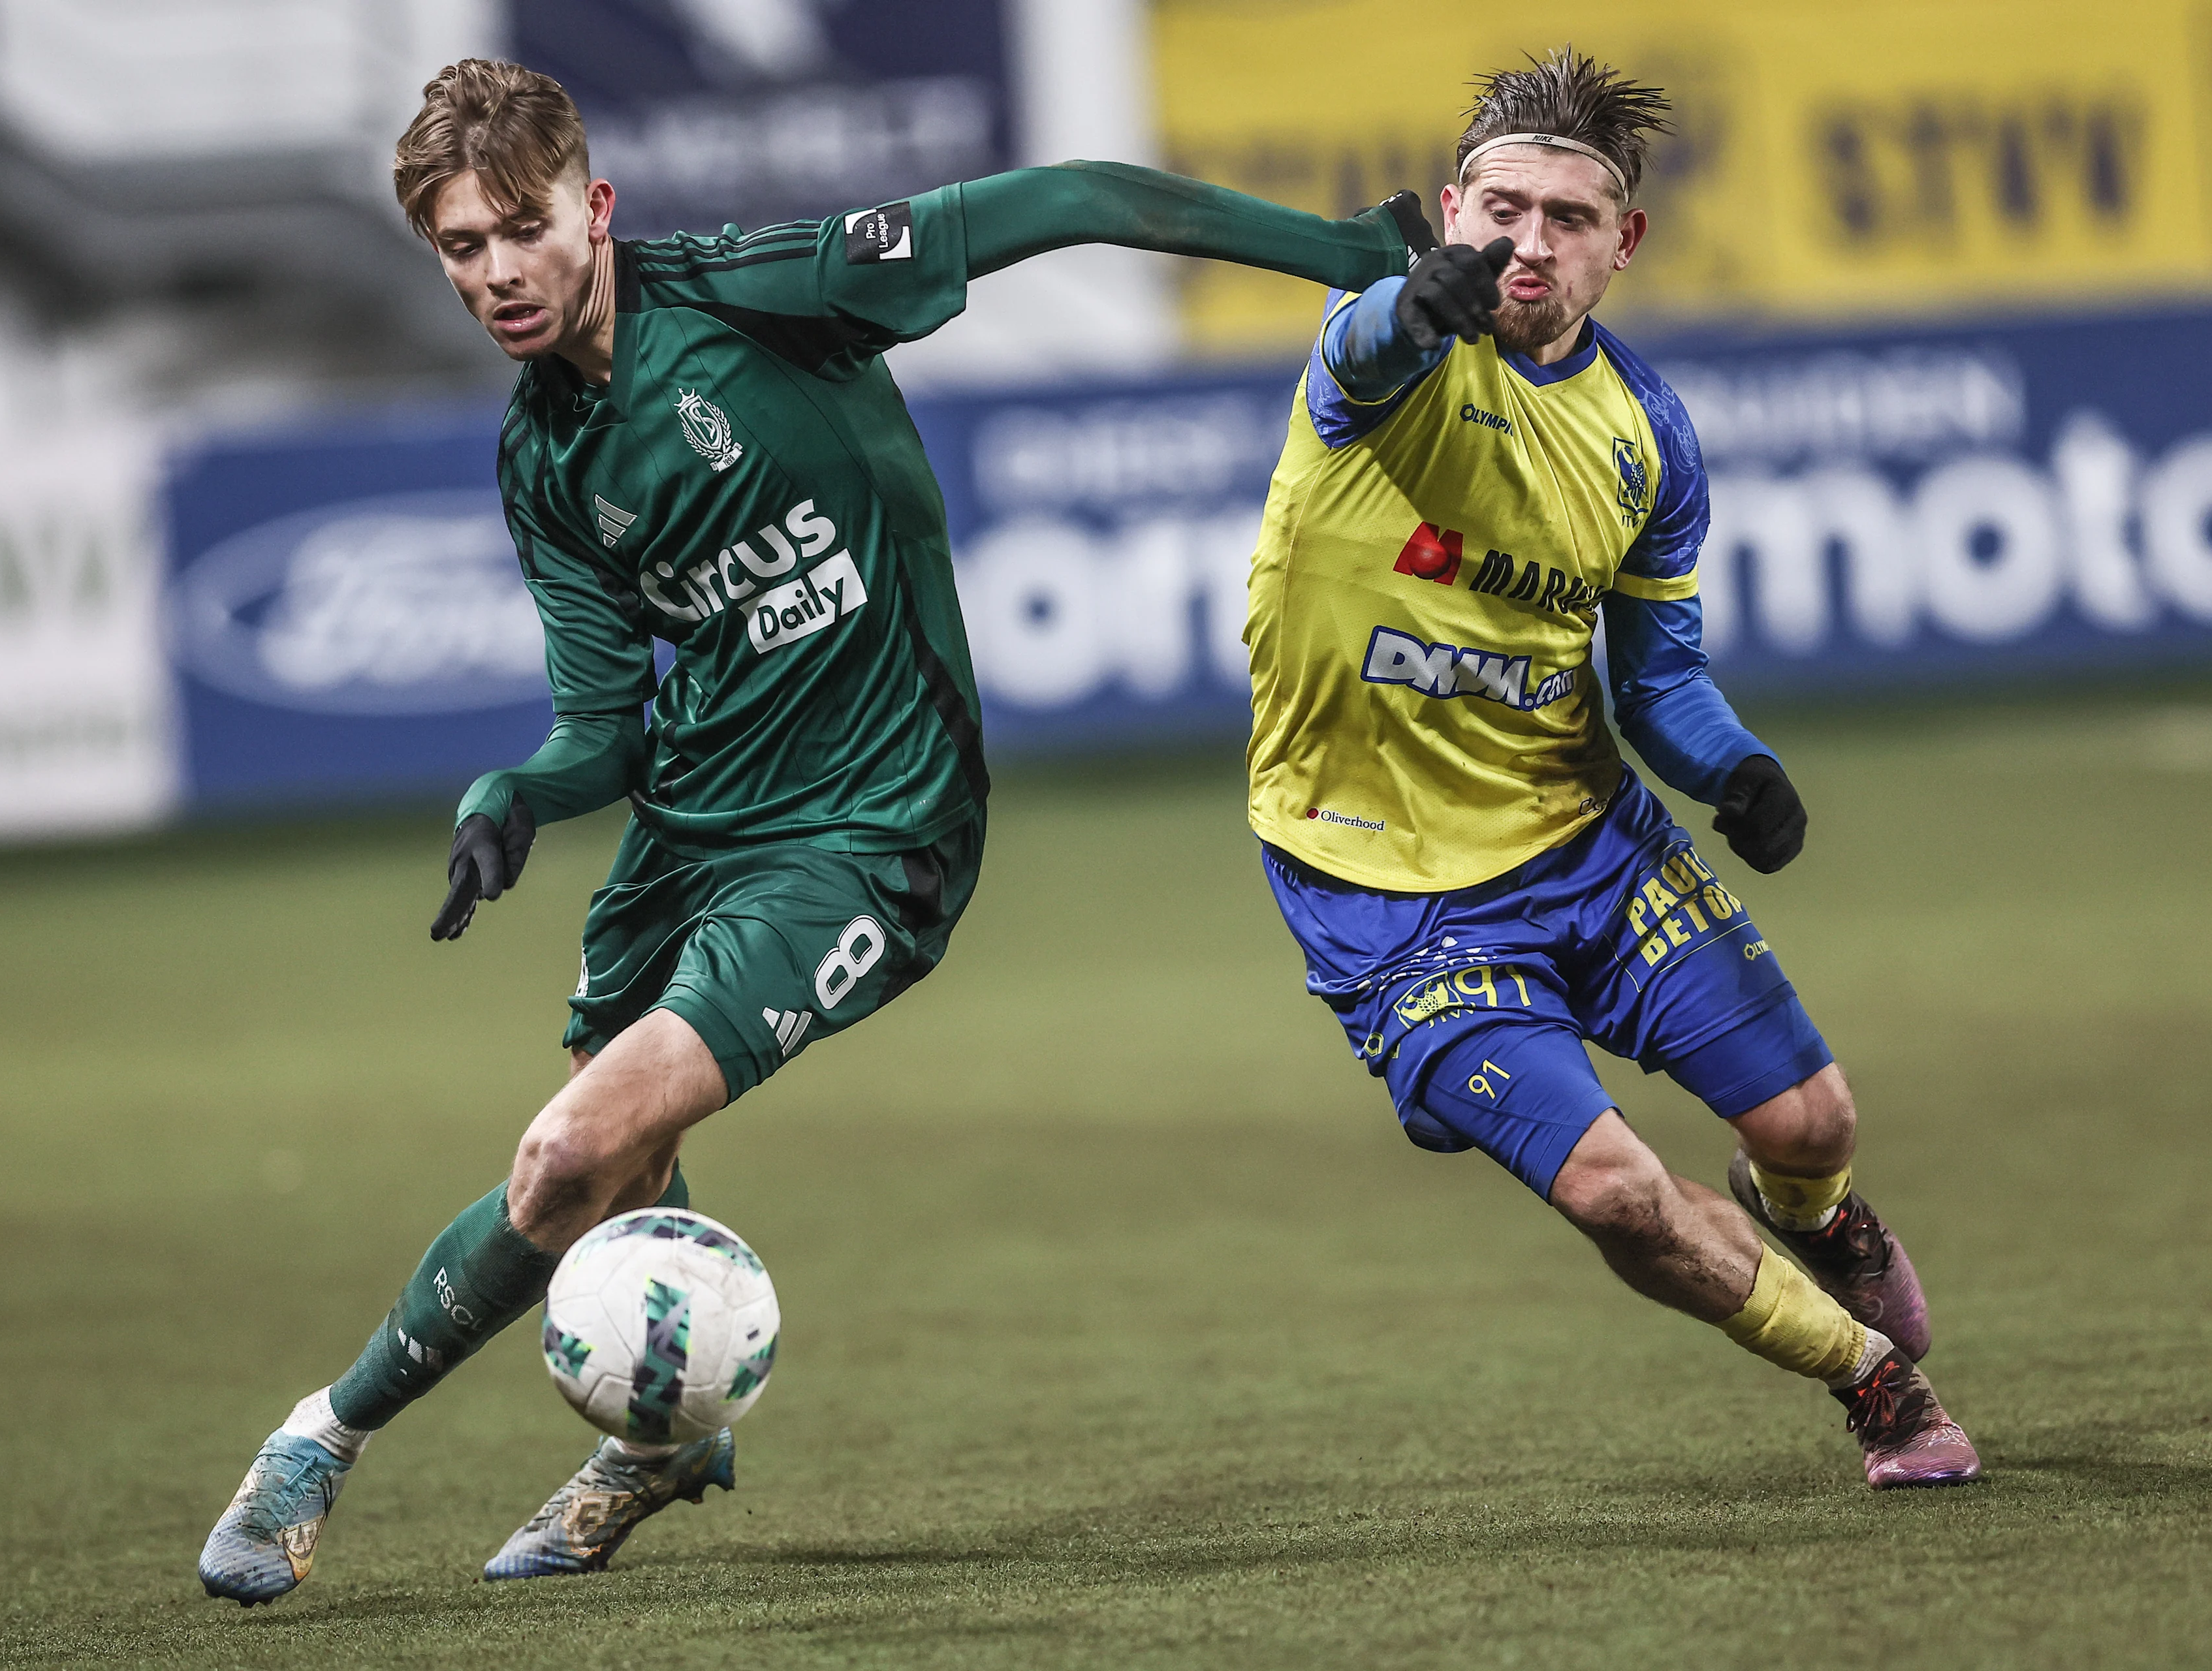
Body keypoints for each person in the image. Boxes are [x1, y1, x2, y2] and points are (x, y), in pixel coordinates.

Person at [198, 57, 1432, 1604]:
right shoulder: (541, 459)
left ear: (594, 207)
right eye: (460, 247)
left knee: (567, 1150)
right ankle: (660, 1444)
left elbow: (1074, 198)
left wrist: (1354, 253)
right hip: (690, 828)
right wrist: (509, 797)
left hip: (871, 823)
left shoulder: (763, 292)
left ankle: (316, 1438)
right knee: (614, 1166)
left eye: (520, 227)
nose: (497, 272)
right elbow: (604, 726)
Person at [1246, 48, 1979, 1489]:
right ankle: (1871, 1376)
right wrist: (1414, 300)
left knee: (1812, 1119)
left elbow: (1657, 678)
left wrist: (1738, 767)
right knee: (1612, 1188)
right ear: (1452, 207)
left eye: (1568, 219)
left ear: (1624, 240)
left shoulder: (1649, 436)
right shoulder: (1378, 342)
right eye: (1502, 210)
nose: (1528, 243)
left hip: (1586, 836)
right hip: (1383, 890)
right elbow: (1365, 349)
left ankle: (1814, 1212)